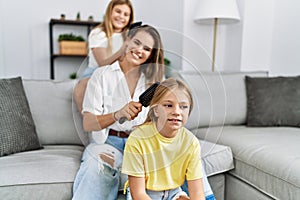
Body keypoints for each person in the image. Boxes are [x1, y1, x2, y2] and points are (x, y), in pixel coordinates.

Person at [72, 24, 165, 200]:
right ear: (127, 40)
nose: (139, 50)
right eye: (136, 42)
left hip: (140, 145)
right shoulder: (101, 75)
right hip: (108, 143)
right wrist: (117, 114)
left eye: (146, 49)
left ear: (151, 54)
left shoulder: (155, 80)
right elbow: (88, 123)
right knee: (96, 167)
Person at [122, 78, 208, 200]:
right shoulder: (138, 139)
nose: (177, 112)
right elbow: (138, 193)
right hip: (145, 194)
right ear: (156, 110)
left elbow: (198, 194)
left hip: (173, 192)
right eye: (168, 105)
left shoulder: (191, 142)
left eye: (183, 107)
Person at [73, 0, 134, 113]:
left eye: (126, 14)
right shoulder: (98, 34)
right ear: (109, 12)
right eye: (118, 11)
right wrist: (123, 49)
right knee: (82, 87)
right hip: (97, 72)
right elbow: (102, 64)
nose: (121, 16)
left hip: (118, 74)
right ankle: (90, 124)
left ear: (130, 19)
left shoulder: (129, 36)